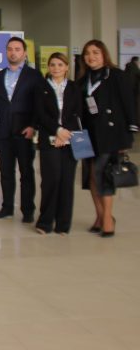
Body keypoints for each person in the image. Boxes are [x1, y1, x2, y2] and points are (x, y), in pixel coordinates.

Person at [77, 40, 137, 237]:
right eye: (87, 53)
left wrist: (129, 133)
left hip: (110, 134)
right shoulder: (82, 80)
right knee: (90, 177)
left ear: (104, 54)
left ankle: (108, 219)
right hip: (86, 134)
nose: (91, 57)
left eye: (95, 52)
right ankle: (100, 215)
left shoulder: (117, 75)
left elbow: (129, 103)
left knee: (103, 174)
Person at [0, 36, 43, 222]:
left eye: (17, 49)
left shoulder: (34, 76)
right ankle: (7, 208)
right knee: (6, 173)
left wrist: (33, 126)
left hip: (24, 132)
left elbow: (39, 105)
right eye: (10, 49)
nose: (13, 52)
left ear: (24, 53)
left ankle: (28, 211)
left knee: (26, 173)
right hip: (2, 132)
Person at [34, 52, 82, 235]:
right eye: (53, 65)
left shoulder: (74, 88)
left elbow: (78, 113)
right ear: (48, 67)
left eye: (60, 65)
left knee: (67, 182)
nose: (56, 68)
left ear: (67, 67)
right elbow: (40, 114)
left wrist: (65, 133)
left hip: (70, 139)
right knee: (51, 180)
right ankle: (45, 222)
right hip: (49, 140)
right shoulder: (41, 87)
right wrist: (57, 130)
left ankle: (63, 224)